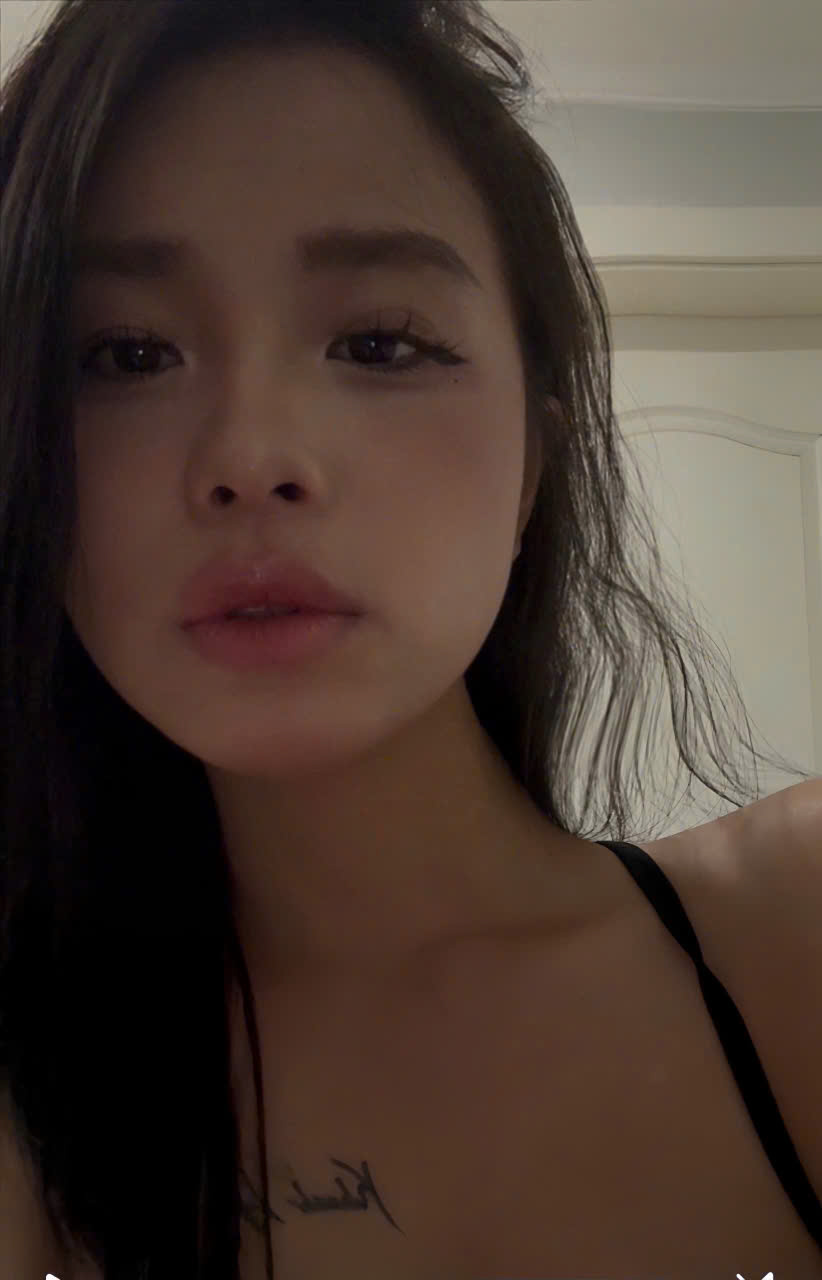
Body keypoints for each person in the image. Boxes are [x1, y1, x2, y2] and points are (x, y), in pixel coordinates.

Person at [1, 3, 820, 1278]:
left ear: (535, 461)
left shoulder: (798, 929)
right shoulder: (34, 1109)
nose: (251, 455)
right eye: (125, 353)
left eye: (379, 341)